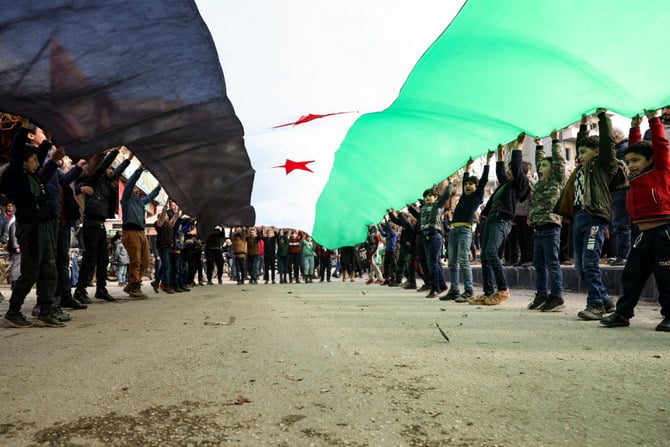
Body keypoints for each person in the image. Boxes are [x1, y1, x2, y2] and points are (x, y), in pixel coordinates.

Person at [601, 109, 670, 331]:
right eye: (628, 161)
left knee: (666, 277)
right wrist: (634, 127)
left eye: (636, 160)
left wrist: (653, 120)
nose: (630, 165)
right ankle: (622, 314)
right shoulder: (635, 176)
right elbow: (634, 147)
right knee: (632, 274)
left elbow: (660, 145)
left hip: (665, 232)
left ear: (652, 160)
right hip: (643, 233)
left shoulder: (661, 169)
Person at [554, 110, 617, 320]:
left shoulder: (602, 167)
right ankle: (606, 299)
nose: (579, 155)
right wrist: (582, 125)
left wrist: (602, 119)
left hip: (594, 218)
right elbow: (584, 142)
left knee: (590, 262)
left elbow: (608, 145)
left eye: (582, 151)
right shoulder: (580, 170)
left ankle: (596, 304)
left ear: (597, 152)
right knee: (580, 265)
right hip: (579, 218)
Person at [2, 121, 65, 327]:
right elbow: (17, 152)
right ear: (23, 161)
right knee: (30, 272)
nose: (38, 164)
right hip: (30, 229)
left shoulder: (35, 178)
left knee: (49, 268)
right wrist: (24, 127)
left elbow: (47, 167)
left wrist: (52, 150)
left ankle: (45, 310)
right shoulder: (17, 177)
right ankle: (13, 311)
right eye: (34, 160)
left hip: (44, 228)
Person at [469, 134, 530, 306]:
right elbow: (500, 172)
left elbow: (517, 167)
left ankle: (503, 290)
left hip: (502, 221)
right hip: (492, 220)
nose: (509, 171)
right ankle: (488, 293)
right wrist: (499, 155)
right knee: (485, 258)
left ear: (520, 173)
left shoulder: (519, 185)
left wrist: (519, 144)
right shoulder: (506, 184)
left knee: (491, 253)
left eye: (513, 169)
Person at [74, 147, 131, 304]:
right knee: (89, 258)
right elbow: (102, 167)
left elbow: (116, 173)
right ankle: (80, 290)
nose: (109, 171)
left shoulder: (106, 183)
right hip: (90, 223)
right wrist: (113, 152)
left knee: (103, 258)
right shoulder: (94, 178)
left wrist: (128, 160)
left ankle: (101, 289)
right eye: (108, 168)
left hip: (100, 225)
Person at [443, 152, 492, 302]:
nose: (467, 186)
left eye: (471, 184)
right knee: (452, 261)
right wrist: (467, 168)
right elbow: (465, 178)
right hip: (453, 230)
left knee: (463, 260)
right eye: (466, 184)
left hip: (464, 230)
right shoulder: (464, 196)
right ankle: (454, 290)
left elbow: (483, 180)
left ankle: (469, 290)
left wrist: (488, 161)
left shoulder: (476, 197)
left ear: (476, 187)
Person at [527, 131, 566, 312]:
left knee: (552, 263)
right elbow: (537, 163)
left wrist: (556, 140)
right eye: (540, 165)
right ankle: (541, 294)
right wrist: (539, 146)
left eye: (544, 165)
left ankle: (556, 296)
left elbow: (559, 162)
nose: (540, 167)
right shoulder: (539, 184)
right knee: (539, 265)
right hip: (539, 228)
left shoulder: (557, 180)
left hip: (551, 227)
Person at [120, 161, 162, 298]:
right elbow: (131, 182)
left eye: (138, 189)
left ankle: (132, 284)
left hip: (141, 233)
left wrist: (159, 187)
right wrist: (140, 169)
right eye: (134, 188)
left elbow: (151, 196)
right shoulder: (126, 199)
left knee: (145, 260)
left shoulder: (140, 202)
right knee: (136, 260)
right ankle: (135, 287)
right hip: (130, 232)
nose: (137, 190)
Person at [420, 177, 453, 298]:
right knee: (434, 263)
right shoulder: (423, 207)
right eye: (426, 196)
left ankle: (435, 288)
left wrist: (450, 183)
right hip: (426, 237)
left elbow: (447, 194)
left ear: (435, 197)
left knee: (432, 263)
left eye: (430, 195)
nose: (428, 197)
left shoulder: (437, 206)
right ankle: (442, 285)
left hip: (434, 236)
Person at [606, 127, 631, 266]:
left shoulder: (621, 150)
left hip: (621, 190)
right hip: (618, 191)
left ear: (615, 137)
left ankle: (622, 255)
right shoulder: (621, 149)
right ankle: (620, 254)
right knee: (618, 224)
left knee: (620, 223)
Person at [152, 205, 175, 294]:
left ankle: (156, 282)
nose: (167, 216)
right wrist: (165, 205)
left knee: (165, 266)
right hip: (163, 246)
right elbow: (162, 215)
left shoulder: (169, 224)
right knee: (167, 266)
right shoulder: (159, 224)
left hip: (168, 247)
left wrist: (179, 210)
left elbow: (175, 217)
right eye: (165, 215)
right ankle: (165, 284)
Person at [378, 217, 398, 286]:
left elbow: (388, 228)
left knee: (393, 265)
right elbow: (383, 233)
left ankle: (394, 278)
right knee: (386, 265)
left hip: (392, 251)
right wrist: (378, 226)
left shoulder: (394, 233)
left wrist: (386, 220)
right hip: (388, 250)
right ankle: (386, 279)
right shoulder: (389, 234)